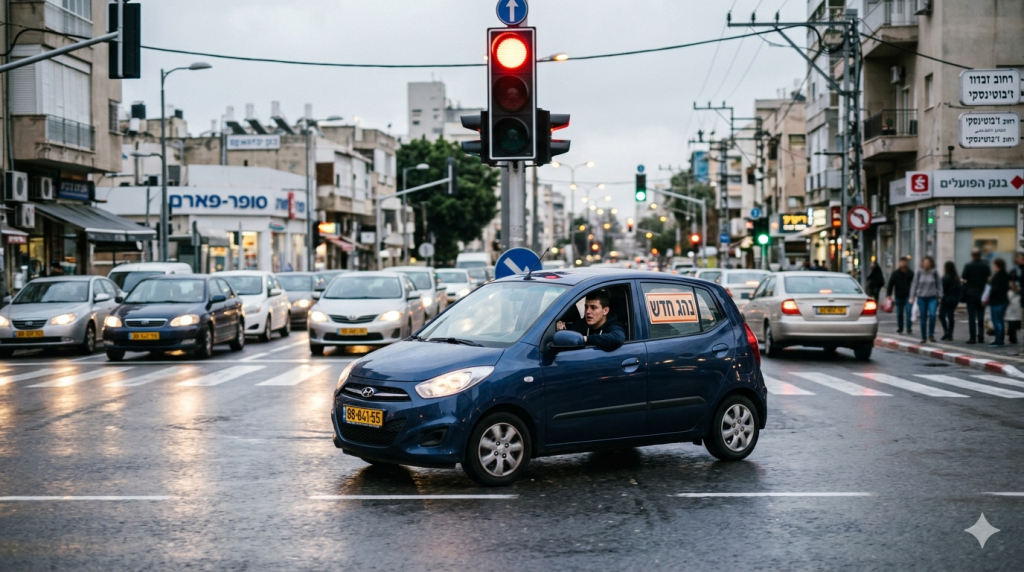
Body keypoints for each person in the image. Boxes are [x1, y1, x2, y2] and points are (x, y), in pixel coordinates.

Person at [556, 289, 625, 352]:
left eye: (593, 308)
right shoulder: (583, 324)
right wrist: (559, 326)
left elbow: (617, 338)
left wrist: (586, 339)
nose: (588, 311)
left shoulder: (614, 326)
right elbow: (568, 332)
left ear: (605, 311)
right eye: (586, 307)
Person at [962, 249, 992, 344]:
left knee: (971, 317)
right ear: (980, 255)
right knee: (981, 316)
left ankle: (972, 338)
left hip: (971, 294)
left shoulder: (968, 265)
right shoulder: (985, 266)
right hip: (982, 294)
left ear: (972, 256)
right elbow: (988, 278)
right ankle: (981, 337)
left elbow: (964, 277)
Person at [910, 256, 942, 343]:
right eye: (924, 263)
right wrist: (912, 296)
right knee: (923, 317)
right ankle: (923, 337)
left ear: (931, 264)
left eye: (928, 263)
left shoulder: (934, 272)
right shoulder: (919, 272)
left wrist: (940, 296)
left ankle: (931, 334)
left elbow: (939, 284)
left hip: (932, 297)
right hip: (921, 297)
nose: (926, 264)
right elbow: (914, 284)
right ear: (922, 263)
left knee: (932, 315)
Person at [886, 257, 915, 335]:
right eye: (901, 262)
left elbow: (914, 284)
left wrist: (914, 294)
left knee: (909, 312)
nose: (903, 264)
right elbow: (891, 284)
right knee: (899, 313)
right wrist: (888, 295)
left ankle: (909, 328)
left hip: (908, 296)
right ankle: (900, 328)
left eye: (904, 262)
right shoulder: (896, 273)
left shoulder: (910, 273)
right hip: (899, 296)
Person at [988, 258, 1010, 348]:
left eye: (994, 265)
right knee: (1000, 321)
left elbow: (994, 290)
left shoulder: (997, 277)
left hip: (997, 301)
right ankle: (1000, 339)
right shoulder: (1006, 275)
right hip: (1003, 300)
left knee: (996, 321)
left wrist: (991, 282)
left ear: (998, 266)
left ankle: (999, 340)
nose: (993, 267)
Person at [939, 261, 962, 341]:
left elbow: (942, 290)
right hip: (954, 300)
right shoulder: (956, 278)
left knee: (942, 316)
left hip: (946, 300)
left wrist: (940, 298)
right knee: (950, 316)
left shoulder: (945, 278)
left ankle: (946, 332)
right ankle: (950, 334)